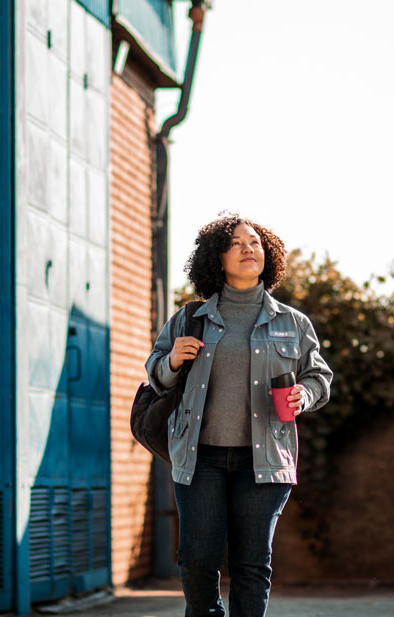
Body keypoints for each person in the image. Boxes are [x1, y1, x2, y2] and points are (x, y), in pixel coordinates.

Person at [146, 213, 333, 617]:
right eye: (236, 243)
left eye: (255, 243)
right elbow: (156, 373)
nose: (248, 248)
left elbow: (319, 375)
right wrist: (172, 361)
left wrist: (307, 394)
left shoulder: (293, 322)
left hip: (264, 461)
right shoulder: (188, 318)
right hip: (201, 458)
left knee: (251, 564)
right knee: (198, 561)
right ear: (218, 257)